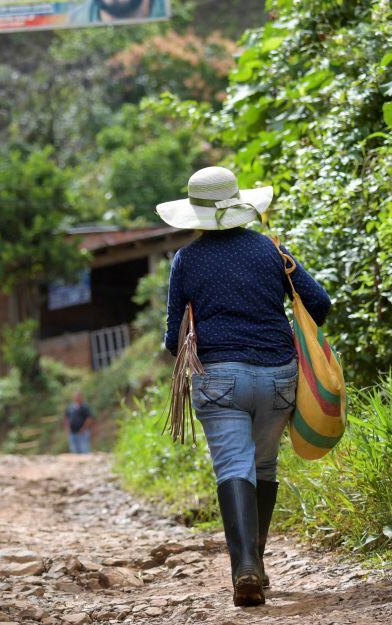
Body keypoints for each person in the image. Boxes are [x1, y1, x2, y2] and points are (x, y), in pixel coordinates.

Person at [156, 166, 331, 607]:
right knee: (264, 465)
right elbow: (319, 303)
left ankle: (245, 567)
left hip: (219, 379)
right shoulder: (272, 250)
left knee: (234, 465)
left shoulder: (186, 260)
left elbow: (173, 338)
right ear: (238, 204)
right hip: (278, 377)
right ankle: (256, 561)